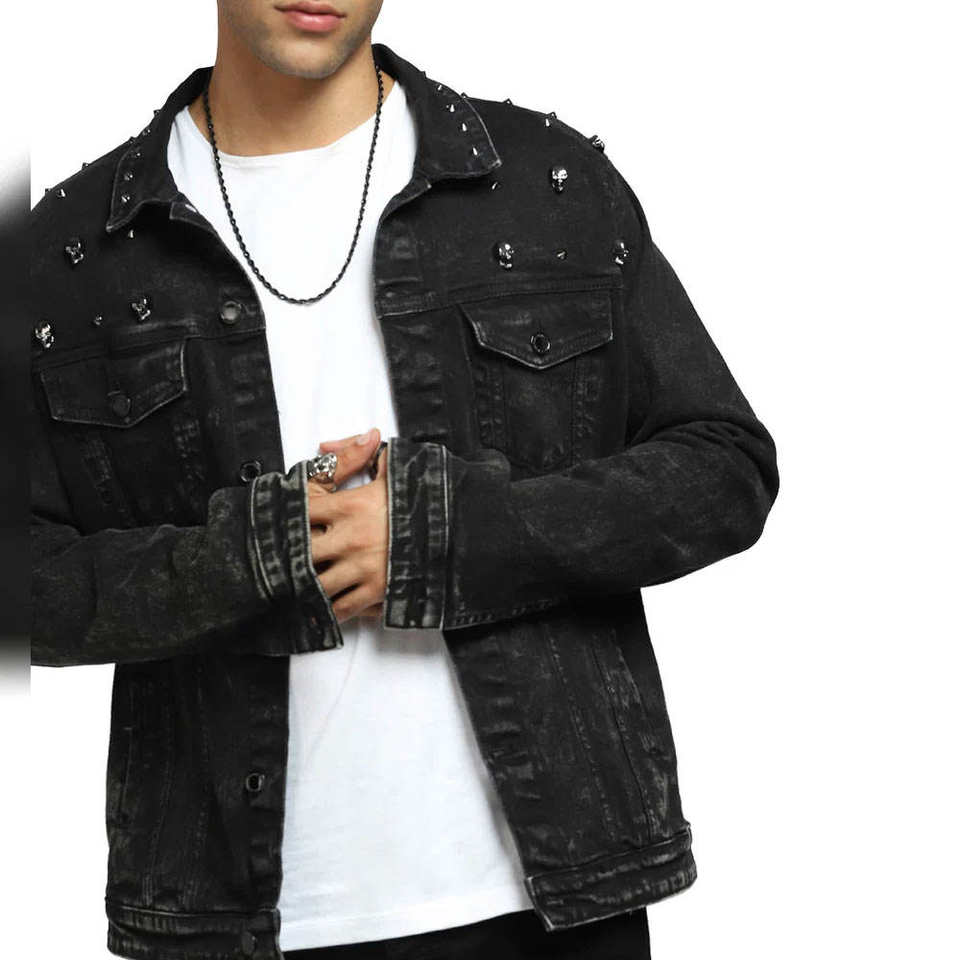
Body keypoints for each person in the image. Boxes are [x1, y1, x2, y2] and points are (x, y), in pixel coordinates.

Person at [30, 2, 779, 959]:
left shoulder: (544, 185)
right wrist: (244, 562)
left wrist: (447, 537)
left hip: (552, 907)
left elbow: (723, 466)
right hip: (233, 920)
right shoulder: (70, 253)